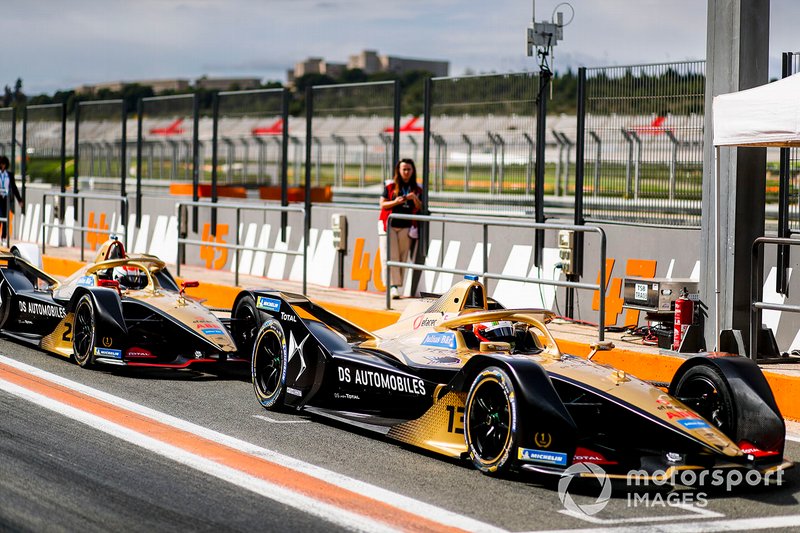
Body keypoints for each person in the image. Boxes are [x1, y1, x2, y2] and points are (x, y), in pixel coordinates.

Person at [379, 158, 423, 299]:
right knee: (391, 255)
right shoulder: (390, 186)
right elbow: (382, 204)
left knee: (402, 257)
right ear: (399, 170)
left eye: (409, 169)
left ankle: (397, 286)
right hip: (390, 225)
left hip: (406, 226)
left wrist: (413, 198)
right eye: (403, 169)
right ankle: (392, 287)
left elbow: (420, 207)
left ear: (413, 171)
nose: (406, 172)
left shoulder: (416, 188)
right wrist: (396, 201)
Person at [0, 156, 22, 240]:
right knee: (0, 216)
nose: (2, 165)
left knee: (5, 217)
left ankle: (3, 237)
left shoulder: (9, 175)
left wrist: (19, 199)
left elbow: (14, 187)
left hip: (6, 198)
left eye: (3, 164)